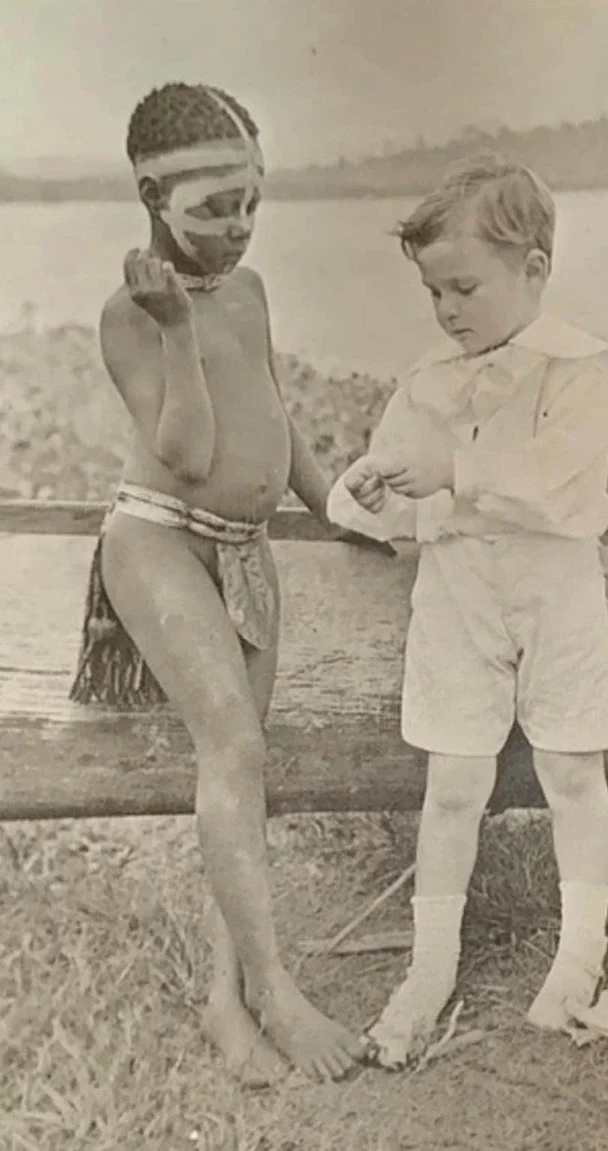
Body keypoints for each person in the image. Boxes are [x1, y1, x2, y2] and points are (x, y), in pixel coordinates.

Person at [69, 81, 376, 1085]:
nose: (240, 227)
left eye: (253, 200)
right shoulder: (128, 316)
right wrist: (173, 329)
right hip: (157, 542)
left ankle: (221, 992)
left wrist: (340, 506)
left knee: (239, 770)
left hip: (245, 552)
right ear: (153, 193)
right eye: (213, 209)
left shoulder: (247, 291)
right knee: (233, 743)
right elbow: (188, 449)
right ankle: (276, 988)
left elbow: (276, 419)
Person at [327, 152, 608, 1068]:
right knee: (453, 783)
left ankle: (581, 951)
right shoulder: (427, 381)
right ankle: (431, 963)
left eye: (465, 287)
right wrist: (371, 490)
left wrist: (455, 471)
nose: (449, 311)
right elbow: (386, 496)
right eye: (434, 294)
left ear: (534, 269)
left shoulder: (581, 373)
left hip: (557, 596)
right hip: (459, 599)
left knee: (574, 770)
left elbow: (556, 486)